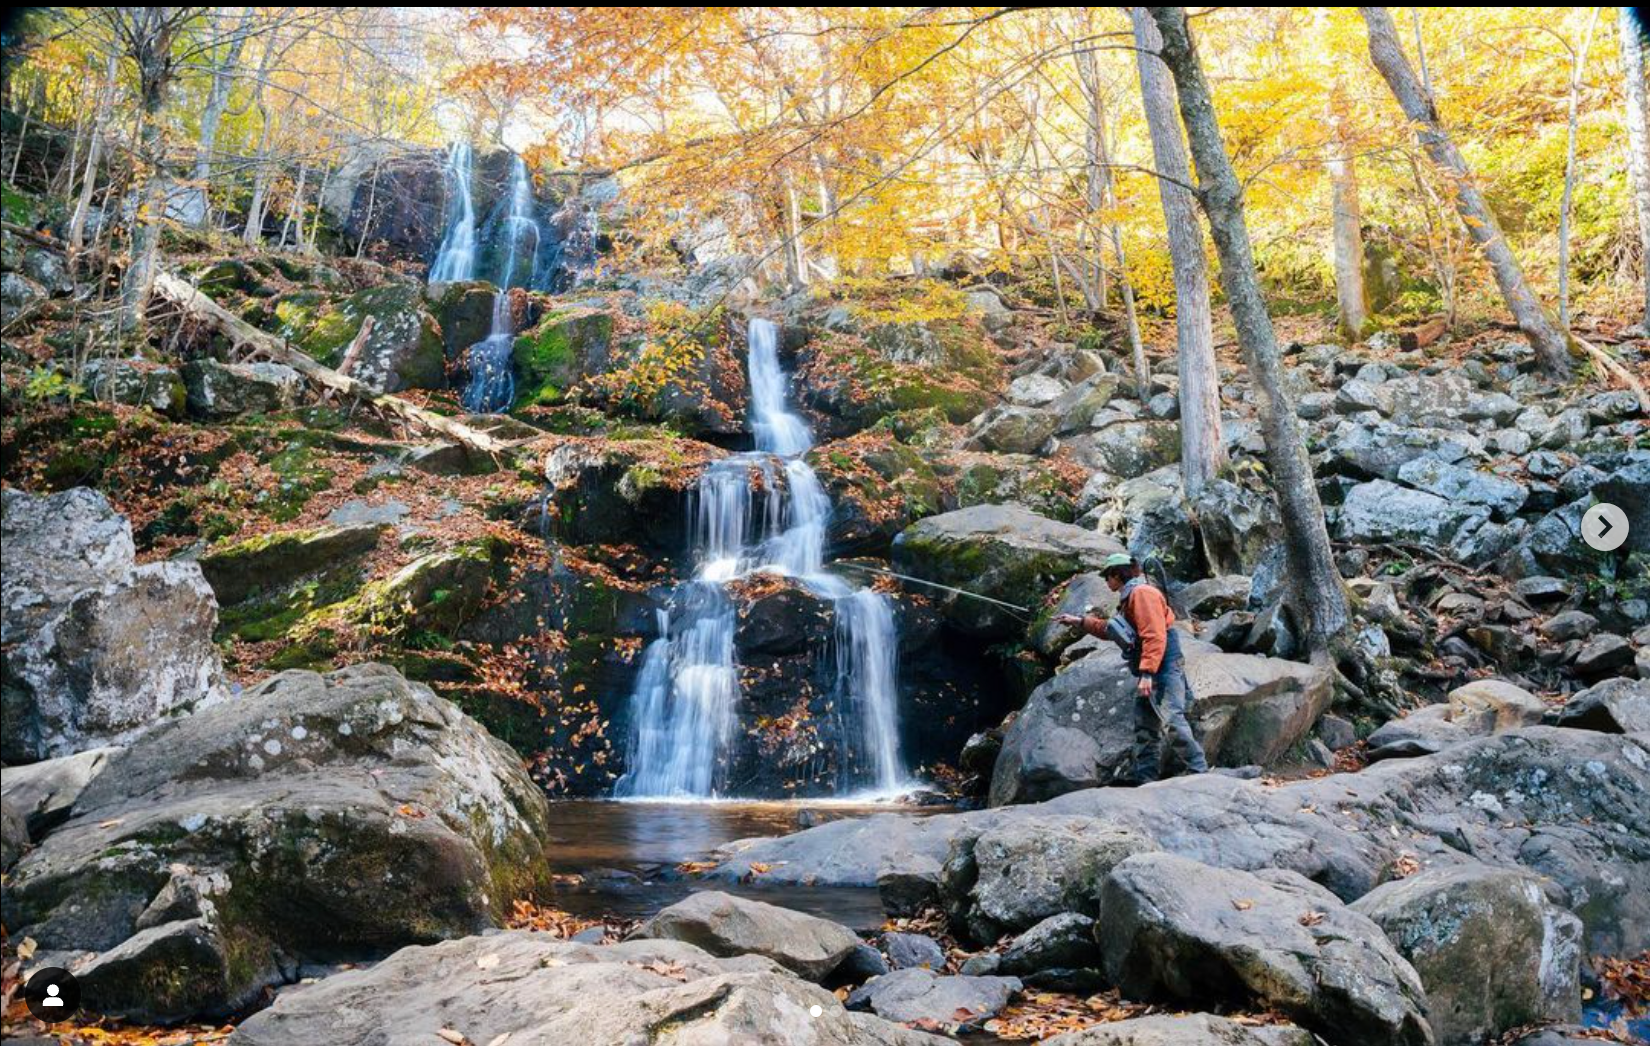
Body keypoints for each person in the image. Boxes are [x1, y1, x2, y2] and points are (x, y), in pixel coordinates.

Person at [1057, 552, 1208, 784]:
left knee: (1171, 719)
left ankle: (1199, 772)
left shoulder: (1142, 594)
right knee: (1145, 725)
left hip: (1163, 664)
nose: (1107, 582)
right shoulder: (1130, 597)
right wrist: (1079, 621)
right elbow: (1112, 629)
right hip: (1152, 664)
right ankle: (1145, 778)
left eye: (1108, 577)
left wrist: (1147, 673)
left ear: (1117, 574)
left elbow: (1155, 635)